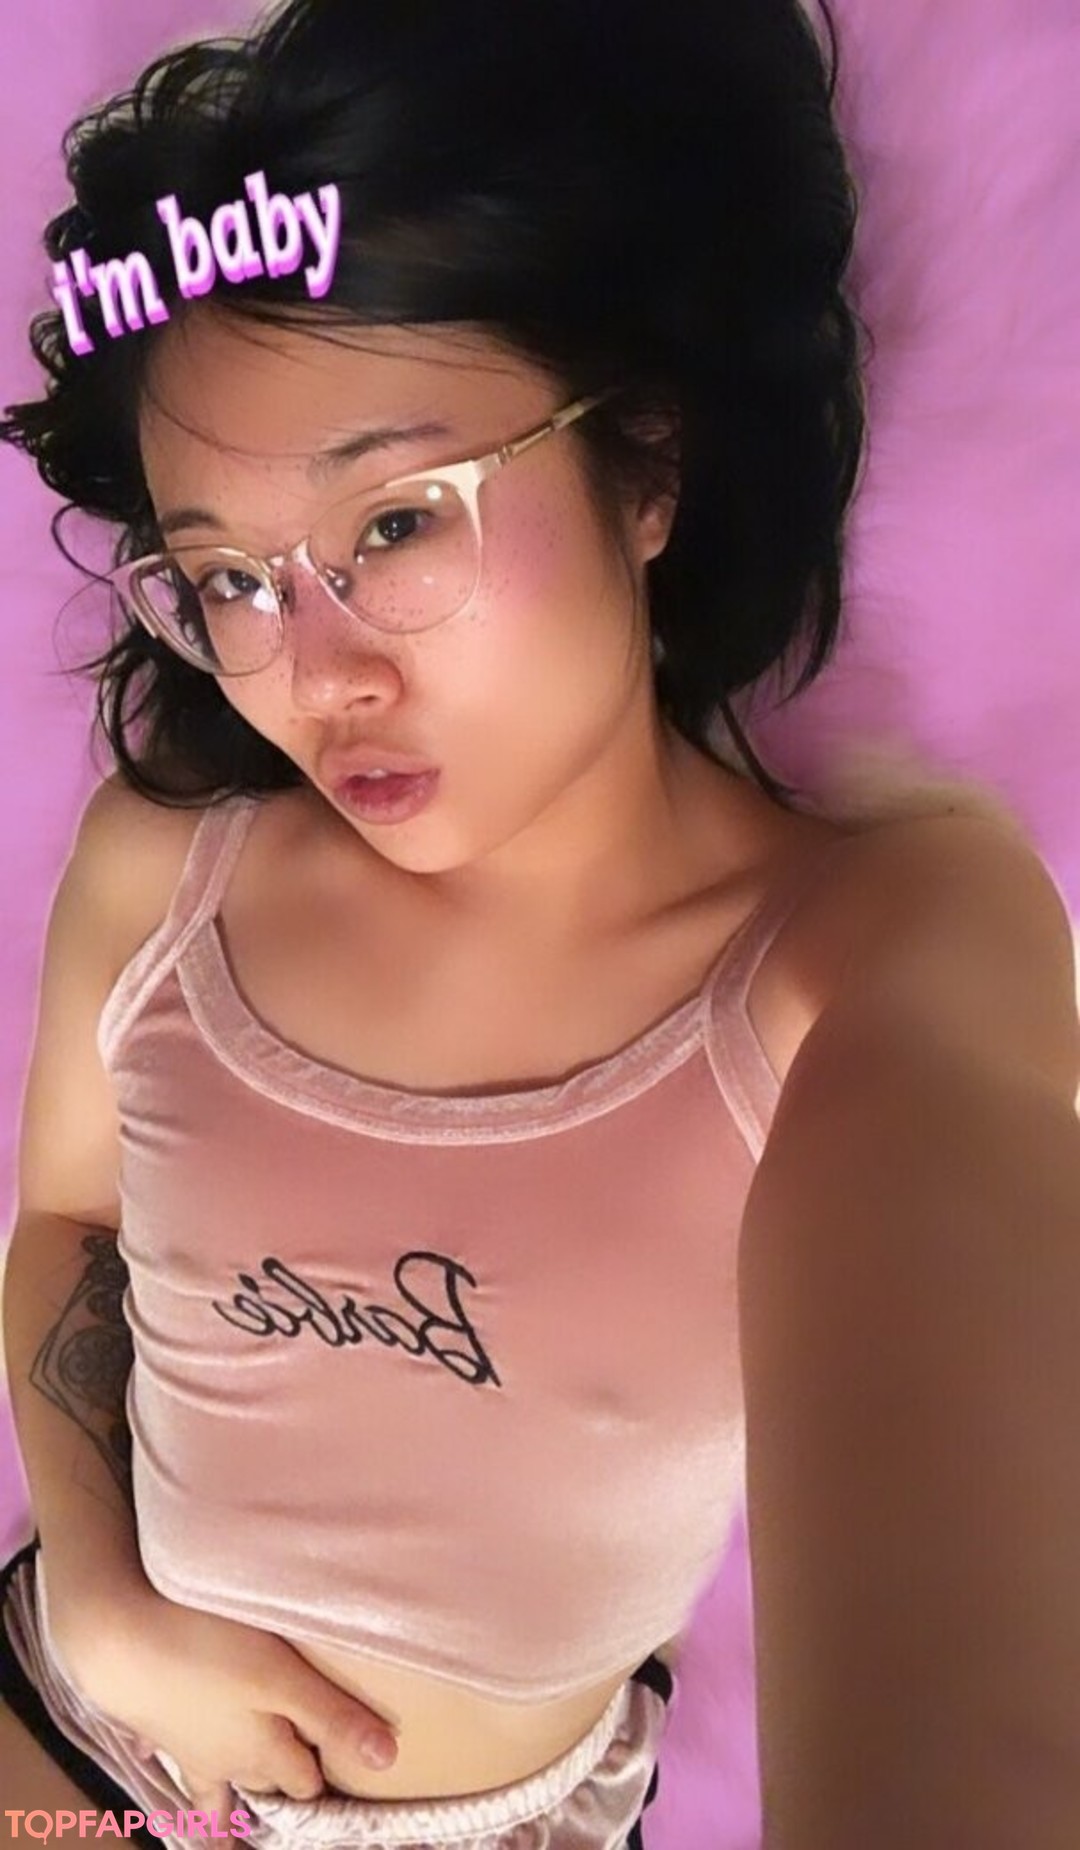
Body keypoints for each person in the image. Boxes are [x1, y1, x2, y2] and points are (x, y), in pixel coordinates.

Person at [2, 2, 1078, 1847]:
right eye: (230, 579)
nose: (316, 670)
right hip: (79, 1737)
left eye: (398, 524)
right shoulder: (161, 867)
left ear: (645, 463)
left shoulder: (855, 955)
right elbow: (66, 1221)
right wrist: (101, 1592)